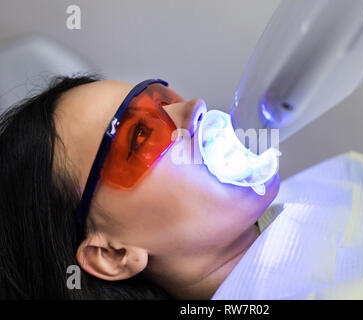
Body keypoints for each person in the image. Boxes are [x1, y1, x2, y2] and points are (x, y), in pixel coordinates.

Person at [0, 75, 280, 299]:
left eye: (162, 98)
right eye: (142, 136)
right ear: (112, 255)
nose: (195, 106)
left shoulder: (310, 197)